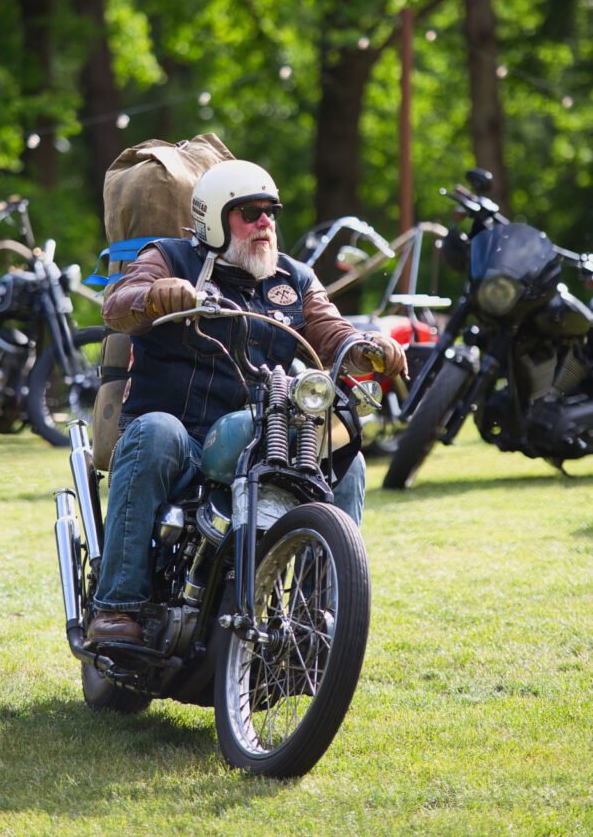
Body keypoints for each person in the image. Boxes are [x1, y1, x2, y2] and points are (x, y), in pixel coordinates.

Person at [87, 160, 407, 646]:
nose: (265, 223)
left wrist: (365, 346)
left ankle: (318, 617)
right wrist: (156, 295)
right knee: (155, 431)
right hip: (183, 437)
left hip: (260, 437)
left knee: (347, 461)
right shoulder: (170, 257)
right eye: (250, 213)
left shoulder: (294, 278)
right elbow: (118, 301)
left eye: (270, 212)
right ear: (214, 219)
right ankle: (117, 608)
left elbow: (328, 328)